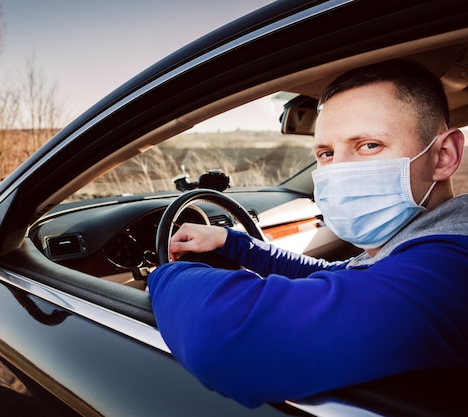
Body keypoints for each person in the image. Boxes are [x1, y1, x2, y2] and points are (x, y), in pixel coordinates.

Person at [147, 59, 468, 408]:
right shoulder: (420, 240)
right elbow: (341, 273)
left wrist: (164, 273)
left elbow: (227, 338)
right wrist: (232, 243)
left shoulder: (448, 269)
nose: (339, 171)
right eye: (327, 153)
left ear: (443, 156)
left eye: (369, 145)